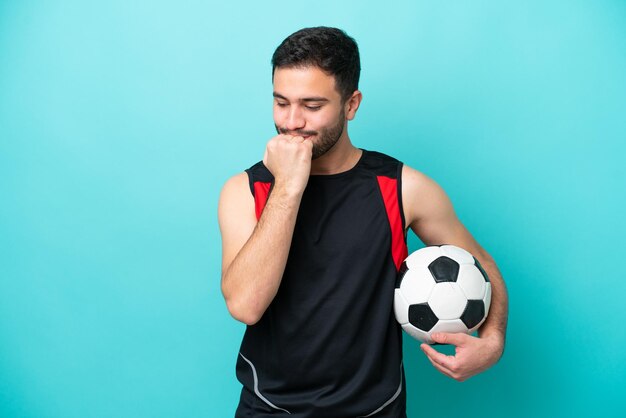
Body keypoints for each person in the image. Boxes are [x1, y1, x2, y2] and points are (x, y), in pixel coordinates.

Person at [218, 26, 508, 418]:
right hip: (269, 409)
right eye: (281, 102)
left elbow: (482, 264)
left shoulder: (403, 188)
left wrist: (491, 343)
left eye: (312, 105)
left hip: (375, 410)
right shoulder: (244, 190)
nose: (292, 121)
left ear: (351, 104)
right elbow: (246, 305)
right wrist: (287, 186)